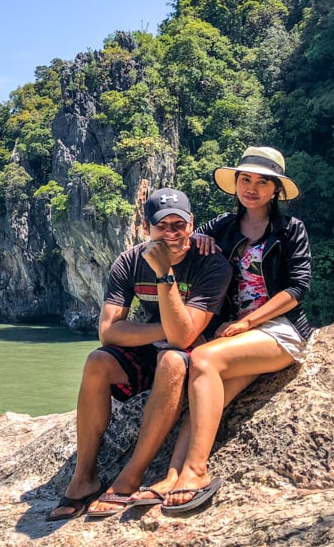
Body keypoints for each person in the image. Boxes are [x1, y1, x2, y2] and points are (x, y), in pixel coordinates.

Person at [128, 146, 313, 513]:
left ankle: (196, 471)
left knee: (202, 359)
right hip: (235, 337)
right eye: (246, 179)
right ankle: (172, 475)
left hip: (278, 330)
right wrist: (198, 241)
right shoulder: (221, 226)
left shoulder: (290, 230)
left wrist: (248, 320)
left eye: (263, 182)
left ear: (276, 190)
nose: (252, 188)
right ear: (236, 184)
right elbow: (179, 244)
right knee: (207, 398)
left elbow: (297, 288)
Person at [46, 188, 232, 521]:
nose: (172, 233)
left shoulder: (211, 263)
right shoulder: (130, 261)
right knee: (98, 361)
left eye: (180, 224)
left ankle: (130, 476)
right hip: (152, 348)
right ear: (147, 228)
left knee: (173, 359)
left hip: (196, 356)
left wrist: (164, 273)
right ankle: (84, 476)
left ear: (192, 226)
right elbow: (108, 332)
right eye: (163, 226)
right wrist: (167, 330)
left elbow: (186, 338)